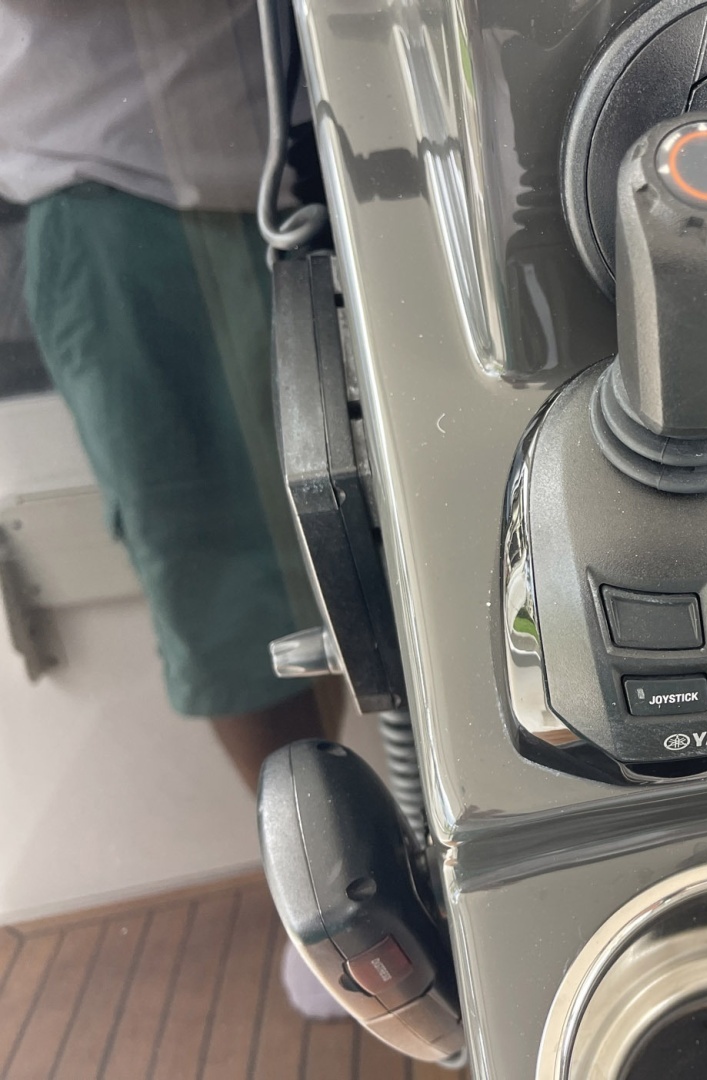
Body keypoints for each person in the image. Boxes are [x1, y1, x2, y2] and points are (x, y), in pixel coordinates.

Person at [0, 0, 345, 1017]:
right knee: (222, 590)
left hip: (347, 155)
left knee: (368, 555)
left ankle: (378, 847)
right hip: (118, 195)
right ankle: (327, 886)